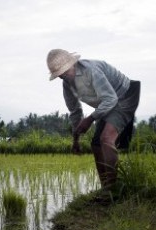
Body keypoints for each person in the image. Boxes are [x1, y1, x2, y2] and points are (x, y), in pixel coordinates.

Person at [46, 49, 140, 190]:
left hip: (124, 95)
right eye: (60, 75)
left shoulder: (91, 70)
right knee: (96, 144)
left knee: (106, 139)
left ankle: (113, 191)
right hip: (107, 102)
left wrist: (90, 119)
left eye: (66, 71)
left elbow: (110, 99)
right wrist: (76, 140)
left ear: (73, 64)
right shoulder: (67, 84)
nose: (65, 77)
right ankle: (105, 189)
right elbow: (75, 111)